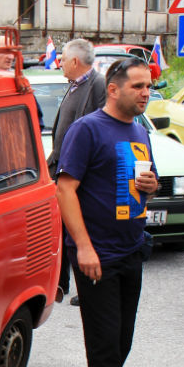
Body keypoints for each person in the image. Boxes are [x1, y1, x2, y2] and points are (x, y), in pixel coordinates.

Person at [55, 58, 159, 367]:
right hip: (97, 253)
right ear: (113, 89)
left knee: (121, 340)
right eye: (137, 86)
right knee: (103, 343)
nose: (145, 93)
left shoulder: (139, 130)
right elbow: (65, 190)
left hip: (131, 247)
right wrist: (82, 246)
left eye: (148, 86)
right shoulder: (87, 129)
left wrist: (151, 187)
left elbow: (143, 185)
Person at [51, 38, 107, 305]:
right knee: (61, 228)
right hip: (63, 167)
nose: (59, 62)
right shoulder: (74, 86)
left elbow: (101, 126)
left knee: (81, 230)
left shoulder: (97, 84)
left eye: (62, 58)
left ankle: (88, 287)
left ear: (75, 61)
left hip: (82, 173)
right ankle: (60, 283)